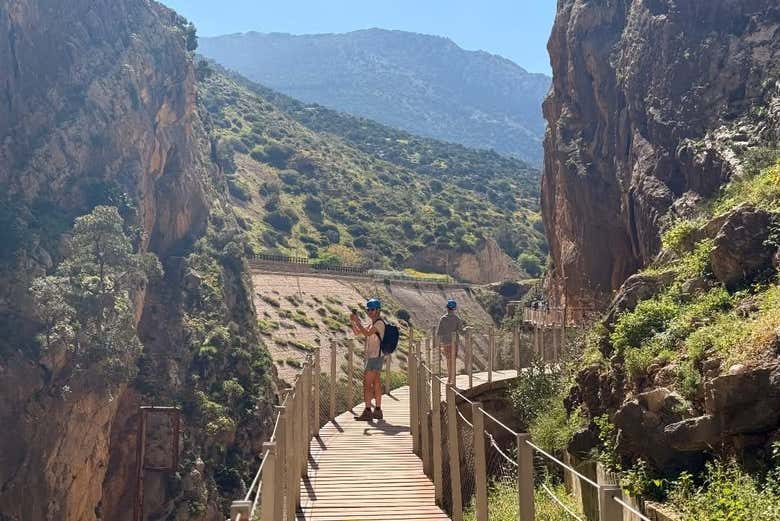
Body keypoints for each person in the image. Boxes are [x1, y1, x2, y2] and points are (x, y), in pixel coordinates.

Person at [349, 298, 385, 421]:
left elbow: (367, 333)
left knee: (367, 384)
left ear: (378, 310)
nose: (370, 312)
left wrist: (357, 322)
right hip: (375, 357)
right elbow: (358, 332)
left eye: (372, 309)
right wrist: (353, 322)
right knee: (376, 383)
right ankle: (378, 410)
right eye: (368, 310)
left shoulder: (378, 323)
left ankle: (368, 411)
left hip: (374, 357)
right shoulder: (373, 323)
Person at [437, 299, 466, 384]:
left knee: (448, 360)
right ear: (454, 309)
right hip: (454, 343)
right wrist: (467, 329)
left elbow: (439, 333)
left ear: (447, 308)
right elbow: (461, 332)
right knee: (453, 360)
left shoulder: (443, 319)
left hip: (446, 343)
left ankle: (449, 378)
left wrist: (438, 344)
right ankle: (452, 379)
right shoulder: (457, 319)